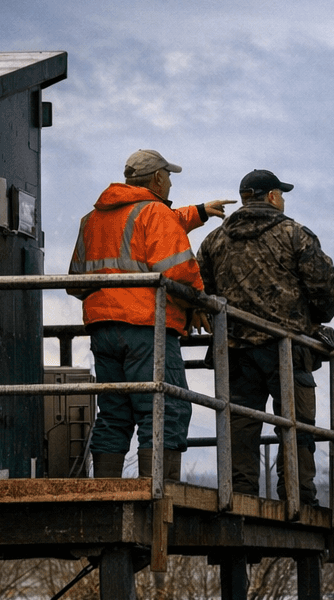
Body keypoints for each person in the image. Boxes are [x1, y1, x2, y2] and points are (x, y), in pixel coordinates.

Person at [68, 149, 234, 479]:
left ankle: (106, 496)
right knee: (164, 410)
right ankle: (158, 497)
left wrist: (199, 212)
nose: (171, 182)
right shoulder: (155, 213)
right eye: (169, 176)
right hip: (146, 327)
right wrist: (198, 305)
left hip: (103, 329)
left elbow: (76, 281)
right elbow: (179, 272)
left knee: (114, 413)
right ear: (158, 178)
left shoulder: (93, 219)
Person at [196, 168, 334, 506]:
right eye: (282, 194)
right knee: (297, 425)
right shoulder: (295, 235)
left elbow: (201, 287)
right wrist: (313, 321)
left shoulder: (214, 241)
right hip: (287, 348)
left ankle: (240, 496)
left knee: (240, 426)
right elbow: (325, 289)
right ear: (272, 197)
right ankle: (297, 496)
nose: (283, 200)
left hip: (234, 349)